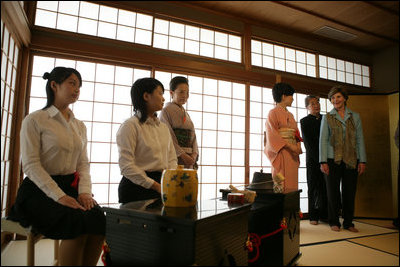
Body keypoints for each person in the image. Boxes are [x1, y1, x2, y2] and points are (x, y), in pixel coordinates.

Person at [7, 67, 105, 266]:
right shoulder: (35, 120)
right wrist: (59, 196)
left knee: (97, 218)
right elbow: (31, 165)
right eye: (71, 83)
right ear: (54, 85)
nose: (77, 89)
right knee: (75, 221)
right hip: (38, 191)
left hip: (71, 187)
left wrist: (85, 192)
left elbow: (83, 164)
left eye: (79, 86)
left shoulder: (79, 125)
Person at [117, 78, 177, 204]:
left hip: (162, 185)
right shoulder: (130, 125)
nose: (163, 98)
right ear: (146, 96)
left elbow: (172, 159)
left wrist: (170, 181)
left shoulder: (163, 127)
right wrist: (155, 185)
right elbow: (126, 166)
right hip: (136, 187)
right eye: (160, 93)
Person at [319, 86, 366, 232]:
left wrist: (362, 160)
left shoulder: (355, 116)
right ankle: (334, 221)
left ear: (344, 98)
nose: (335, 100)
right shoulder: (327, 117)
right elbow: (323, 139)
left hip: (352, 159)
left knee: (349, 191)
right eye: (332, 98)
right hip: (332, 159)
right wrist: (323, 161)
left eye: (338, 97)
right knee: (332, 192)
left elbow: (360, 139)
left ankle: (348, 222)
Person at [264, 82, 302, 190]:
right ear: (284, 96)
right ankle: (280, 206)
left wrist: (298, 146)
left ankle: (292, 206)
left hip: (293, 154)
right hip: (281, 152)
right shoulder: (273, 113)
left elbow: (296, 133)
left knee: (292, 185)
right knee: (280, 183)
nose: (293, 99)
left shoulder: (291, 115)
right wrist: (290, 146)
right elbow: (272, 135)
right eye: (291, 96)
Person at [159, 76, 199, 169]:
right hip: (175, 157)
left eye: (187, 92)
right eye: (181, 92)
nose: (185, 96)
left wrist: (194, 154)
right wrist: (183, 155)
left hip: (189, 159)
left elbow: (193, 137)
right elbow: (168, 136)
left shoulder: (187, 114)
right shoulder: (166, 111)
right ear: (171, 93)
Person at [300, 96, 328, 225]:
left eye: (317, 103)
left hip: (326, 159)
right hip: (312, 159)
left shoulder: (325, 119)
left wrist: (325, 160)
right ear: (307, 107)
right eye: (312, 104)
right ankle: (313, 216)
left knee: (324, 186)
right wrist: (319, 160)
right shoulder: (304, 121)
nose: (316, 105)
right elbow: (308, 143)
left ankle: (325, 214)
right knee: (312, 186)